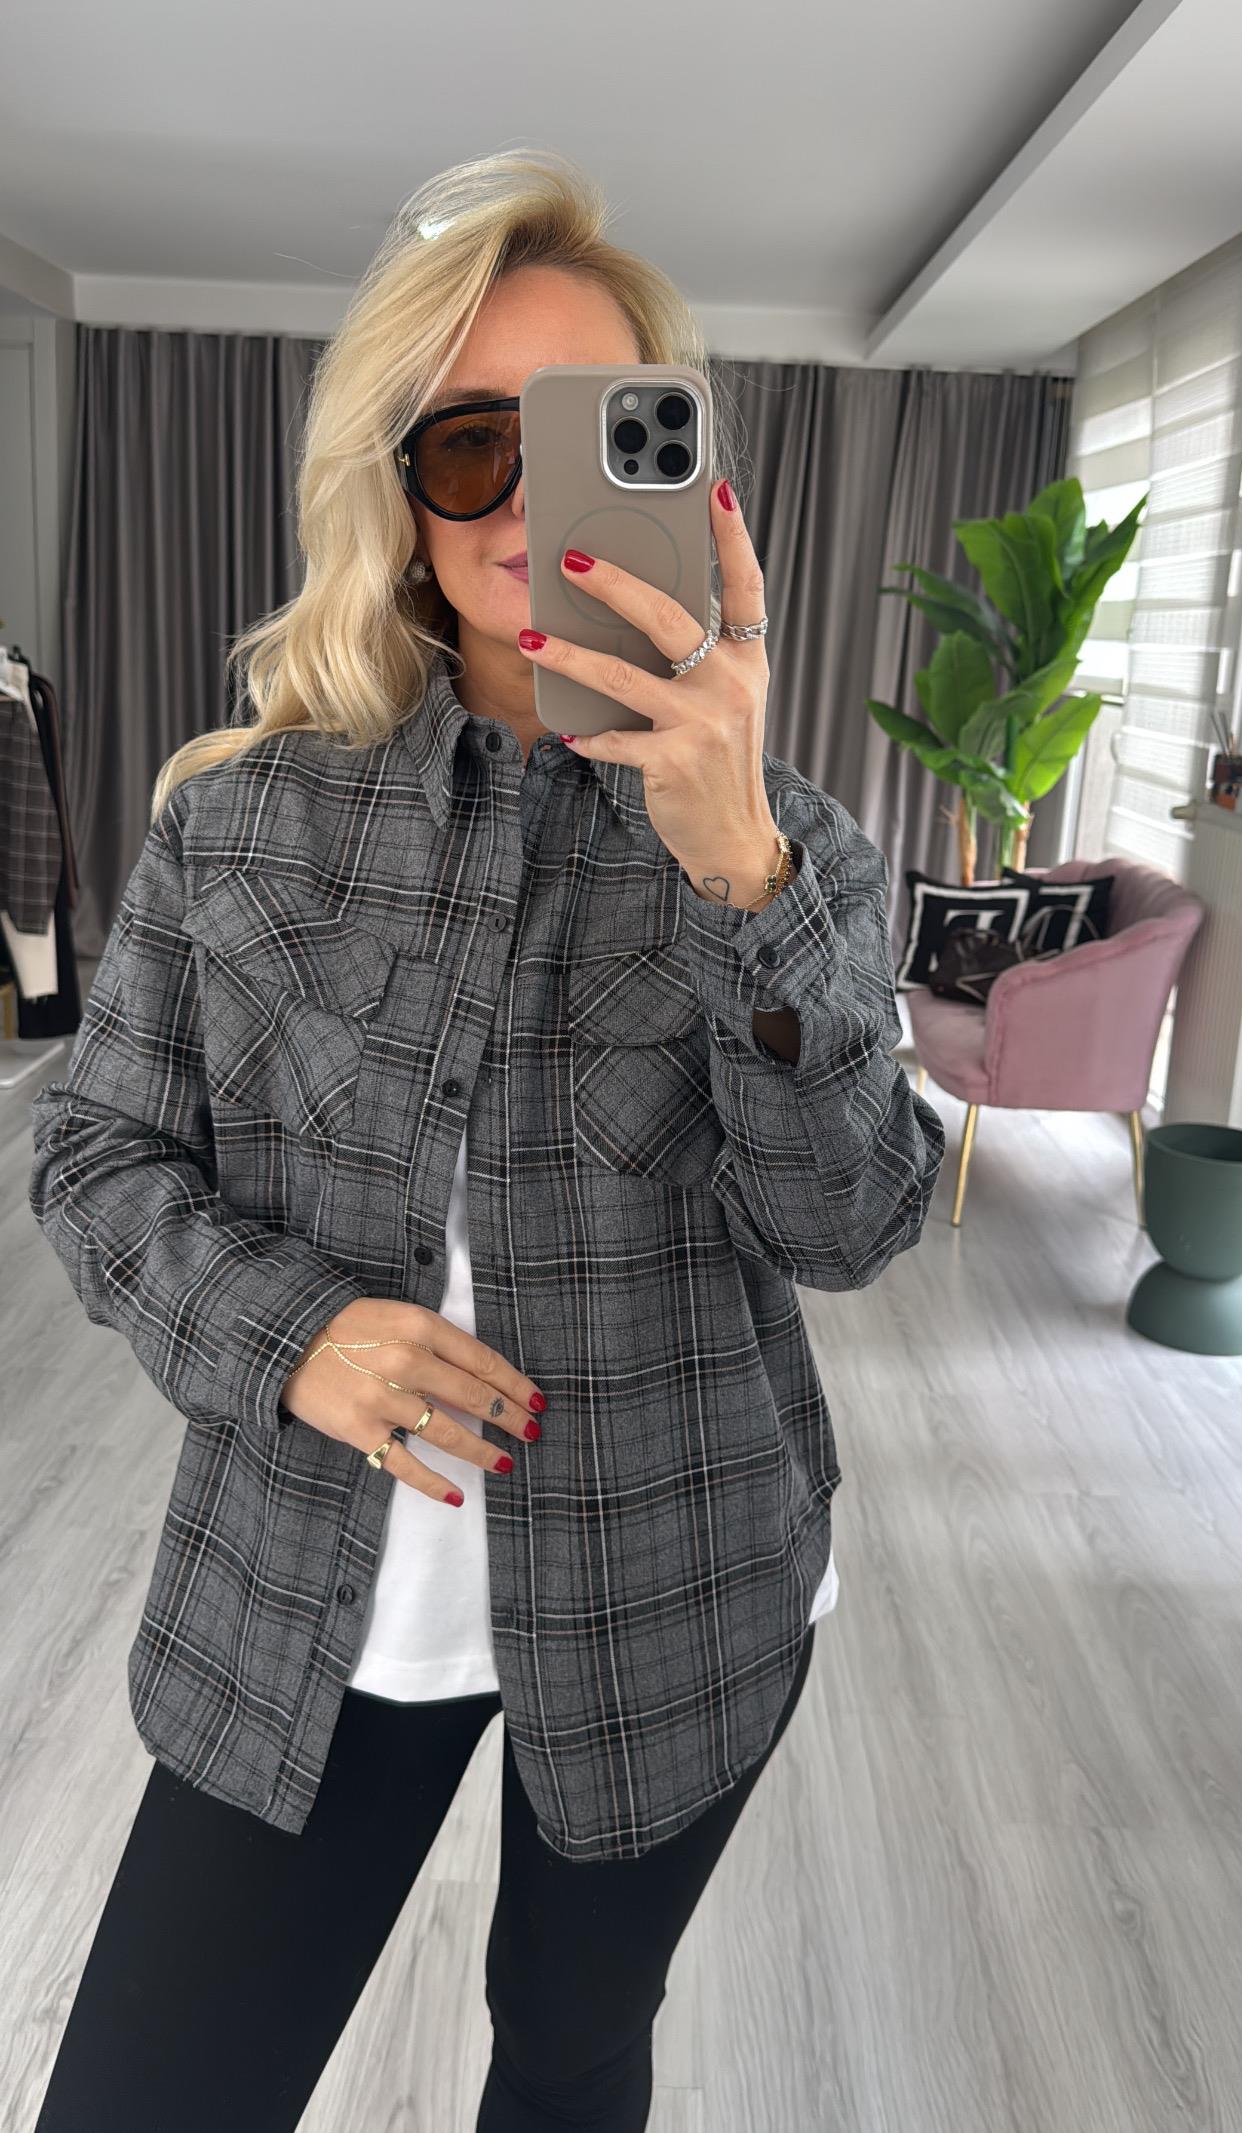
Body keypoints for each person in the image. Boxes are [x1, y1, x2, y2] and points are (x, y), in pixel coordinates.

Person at [28, 148, 946, 2132]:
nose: (528, 504)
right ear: (399, 493)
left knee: (568, 2046)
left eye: (593, 435)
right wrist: (288, 1330)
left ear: (685, 474)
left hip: (680, 1577)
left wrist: (741, 880)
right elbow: (94, 1155)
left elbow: (852, 1221)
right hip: (304, 1588)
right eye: (469, 447)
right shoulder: (239, 818)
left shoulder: (793, 847)